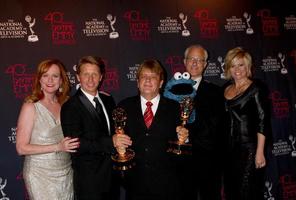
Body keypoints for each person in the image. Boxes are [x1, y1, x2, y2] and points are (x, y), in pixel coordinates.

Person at [117, 59, 188, 200]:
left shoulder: (174, 107)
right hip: (135, 182)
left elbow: (180, 142)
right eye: (143, 76)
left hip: (167, 184)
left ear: (161, 83)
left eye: (153, 77)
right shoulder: (124, 106)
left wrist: (185, 137)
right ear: (137, 82)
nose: (148, 80)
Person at [60, 56, 128, 200]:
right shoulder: (70, 107)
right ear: (78, 76)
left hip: (112, 176)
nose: (90, 79)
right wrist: (111, 141)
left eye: (95, 74)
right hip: (89, 181)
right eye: (86, 74)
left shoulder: (108, 100)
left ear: (101, 76)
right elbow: (76, 144)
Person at [16, 59, 80, 200]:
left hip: (66, 172)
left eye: (55, 76)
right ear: (39, 79)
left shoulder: (66, 104)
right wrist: (58, 146)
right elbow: (21, 148)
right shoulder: (30, 106)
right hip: (40, 174)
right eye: (45, 75)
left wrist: (98, 96)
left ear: (61, 80)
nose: (50, 80)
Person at [223, 47, 270, 200]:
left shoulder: (256, 88)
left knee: (247, 191)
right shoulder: (225, 89)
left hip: (249, 149)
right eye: (233, 65)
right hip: (228, 150)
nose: (237, 69)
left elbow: (263, 120)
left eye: (241, 65)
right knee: (231, 190)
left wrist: (259, 152)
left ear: (248, 67)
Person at [183, 44, 224, 200]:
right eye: (191, 59)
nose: (195, 63)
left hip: (207, 158)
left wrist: (189, 134)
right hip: (180, 159)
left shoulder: (216, 92)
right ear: (184, 61)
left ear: (205, 64)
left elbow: (215, 125)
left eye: (199, 60)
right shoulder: (170, 90)